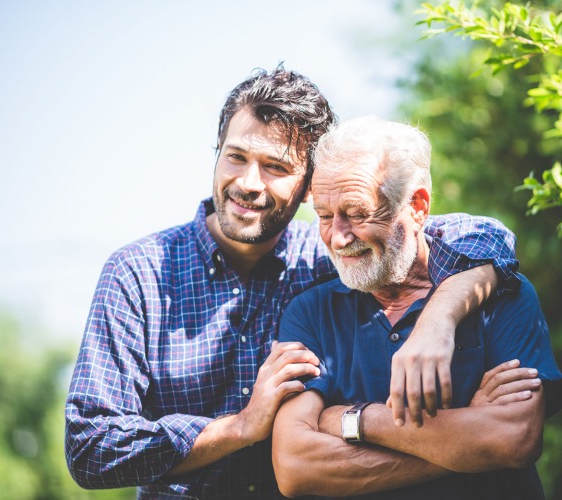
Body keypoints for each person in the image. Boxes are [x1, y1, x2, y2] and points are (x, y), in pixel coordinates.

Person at [64, 67, 521, 499]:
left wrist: (438, 320)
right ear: (216, 154)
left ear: (309, 186)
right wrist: (241, 426)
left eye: (275, 167)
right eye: (236, 157)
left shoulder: (334, 259)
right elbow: (90, 448)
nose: (247, 182)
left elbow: (481, 237)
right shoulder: (137, 274)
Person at [272, 116, 562, 499]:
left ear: (416, 206)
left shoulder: (500, 294)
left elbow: (514, 439)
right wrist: (465, 440)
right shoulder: (309, 314)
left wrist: (355, 419)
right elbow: (295, 468)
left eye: (358, 213)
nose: (339, 237)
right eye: (325, 217)